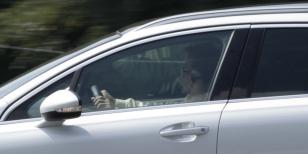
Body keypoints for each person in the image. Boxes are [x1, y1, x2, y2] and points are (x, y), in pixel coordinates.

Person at [91, 42, 220, 110]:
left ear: (193, 77)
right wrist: (118, 103)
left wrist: (117, 104)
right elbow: (160, 106)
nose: (181, 75)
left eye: (185, 69)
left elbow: (156, 111)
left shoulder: (199, 105)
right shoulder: (200, 100)